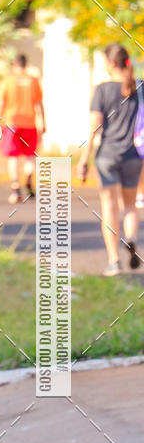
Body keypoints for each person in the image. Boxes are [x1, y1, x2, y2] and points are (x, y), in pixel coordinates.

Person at [78, 43, 143, 276]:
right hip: (133, 156)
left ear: (111, 63)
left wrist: (84, 159)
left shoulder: (102, 90)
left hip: (106, 156)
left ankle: (114, 261)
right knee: (130, 206)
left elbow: (94, 127)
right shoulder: (139, 88)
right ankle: (132, 238)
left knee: (109, 207)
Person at [0, 54, 45, 204]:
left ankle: (16, 189)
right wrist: (43, 122)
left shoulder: (8, 81)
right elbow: (39, 103)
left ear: (14, 65)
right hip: (30, 123)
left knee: (13, 156)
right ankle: (29, 179)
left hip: (12, 123)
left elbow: (1, 102)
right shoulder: (33, 81)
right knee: (30, 155)